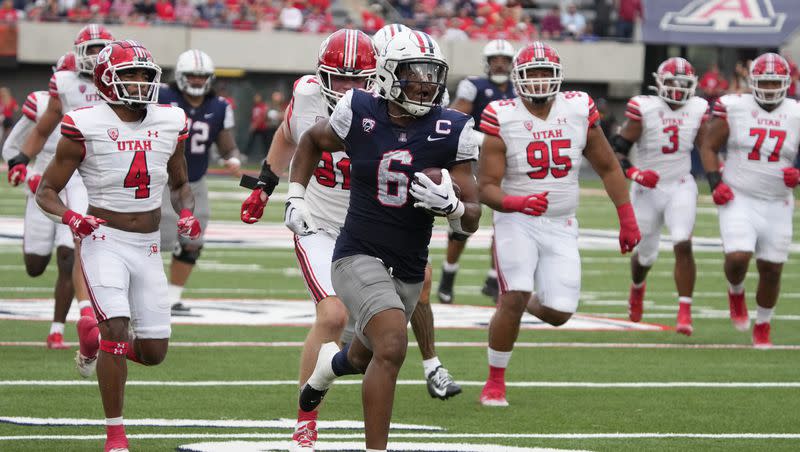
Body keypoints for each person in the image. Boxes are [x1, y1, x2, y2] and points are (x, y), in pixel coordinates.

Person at [241, 28, 462, 452]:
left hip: (381, 228)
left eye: (356, 78)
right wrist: (267, 185)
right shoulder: (307, 95)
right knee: (332, 316)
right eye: (336, 77)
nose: (345, 88)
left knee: (373, 336)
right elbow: (291, 135)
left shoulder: (402, 106)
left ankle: (345, 366)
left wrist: (448, 200)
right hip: (322, 224)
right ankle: (306, 422)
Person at [293, 30, 481, 451]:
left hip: (409, 264)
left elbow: (471, 219)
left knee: (361, 357)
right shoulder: (359, 109)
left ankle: (327, 367)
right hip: (356, 253)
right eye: (414, 74)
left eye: (432, 74)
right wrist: (294, 195)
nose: (425, 83)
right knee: (393, 343)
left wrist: (452, 207)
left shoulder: (453, 128)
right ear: (387, 74)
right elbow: (309, 141)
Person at [36, 40, 198, 452]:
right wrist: (72, 217)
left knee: (154, 352)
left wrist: (187, 212)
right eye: (130, 75)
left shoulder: (171, 120)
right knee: (117, 329)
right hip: (102, 238)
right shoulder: (83, 123)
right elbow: (47, 191)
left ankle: (90, 338)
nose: (141, 83)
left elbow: (180, 184)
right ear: (107, 80)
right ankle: (115, 435)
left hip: (147, 245)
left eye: (146, 75)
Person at [477, 42, 641, 406]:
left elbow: (609, 166)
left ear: (558, 78)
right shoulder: (501, 115)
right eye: (530, 74)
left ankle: (525, 302)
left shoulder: (579, 109)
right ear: (517, 80)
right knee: (514, 293)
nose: (537, 81)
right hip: (516, 220)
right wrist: (516, 202)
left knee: (560, 313)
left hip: (561, 222)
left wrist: (626, 218)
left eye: (544, 73)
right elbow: (485, 187)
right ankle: (495, 381)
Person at [11, 24, 115, 350]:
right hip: (52, 178)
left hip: (91, 175)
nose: (97, 56)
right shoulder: (63, 87)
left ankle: (81, 319)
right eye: (91, 49)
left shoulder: (119, 83)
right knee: (36, 265)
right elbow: (40, 130)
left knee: (75, 249)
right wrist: (20, 161)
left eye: (103, 49)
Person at [699, 53, 799, 348]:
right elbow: (708, 144)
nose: (768, 87)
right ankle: (736, 290)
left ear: (785, 83)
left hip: (778, 201)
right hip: (739, 195)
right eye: (763, 81)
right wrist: (715, 182)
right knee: (738, 257)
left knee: (772, 269)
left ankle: (764, 324)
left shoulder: (795, 112)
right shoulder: (736, 107)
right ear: (752, 81)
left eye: (774, 81)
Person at [1, 51, 94, 349]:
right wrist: (27, 175)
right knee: (35, 265)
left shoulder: (98, 107)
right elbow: (12, 147)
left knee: (69, 257)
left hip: (76, 186)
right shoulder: (42, 103)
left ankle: (57, 330)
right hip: (42, 187)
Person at [611, 57, 708, 335]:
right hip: (647, 189)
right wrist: (637, 174)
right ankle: (638, 288)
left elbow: (706, 148)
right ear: (659, 83)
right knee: (646, 256)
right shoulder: (645, 108)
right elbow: (616, 153)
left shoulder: (698, 109)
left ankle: (685, 310)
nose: (677, 89)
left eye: (682, 84)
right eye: (672, 83)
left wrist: (719, 174)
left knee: (682, 242)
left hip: (680, 184)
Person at [158, 49, 240, 315]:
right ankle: (145, 293)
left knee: (193, 240)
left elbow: (226, 143)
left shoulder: (219, 106)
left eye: (201, 76)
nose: (196, 81)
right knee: (154, 238)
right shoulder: (161, 96)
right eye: (191, 75)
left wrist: (233, 158)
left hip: (194, 180)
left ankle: (172, 298)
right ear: (180, 76)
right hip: (159, 178)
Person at [437, 39, 515, 305]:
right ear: (487, 62)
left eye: (505, 59)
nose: (500, 63)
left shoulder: (519, 91)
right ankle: (448, 276)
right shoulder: (474, 86)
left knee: (506, 221)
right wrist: (487, 140)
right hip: (473, 161)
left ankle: (494, 279)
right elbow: (455, 120)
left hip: (508, 163)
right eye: (495, 59)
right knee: (464, 219)